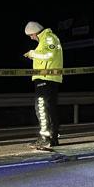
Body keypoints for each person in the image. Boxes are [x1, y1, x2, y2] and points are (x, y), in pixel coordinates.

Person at [23, 21, 63, 150]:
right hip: (48, 78)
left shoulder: (49, 38)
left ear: (34, 32)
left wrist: (32, 53)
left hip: (46, 78)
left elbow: (49, 55)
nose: (31, 37)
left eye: (30, 35)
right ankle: (52, 138)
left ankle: (46, 138)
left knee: (41, 108)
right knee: (49, 108)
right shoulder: (46, 39)